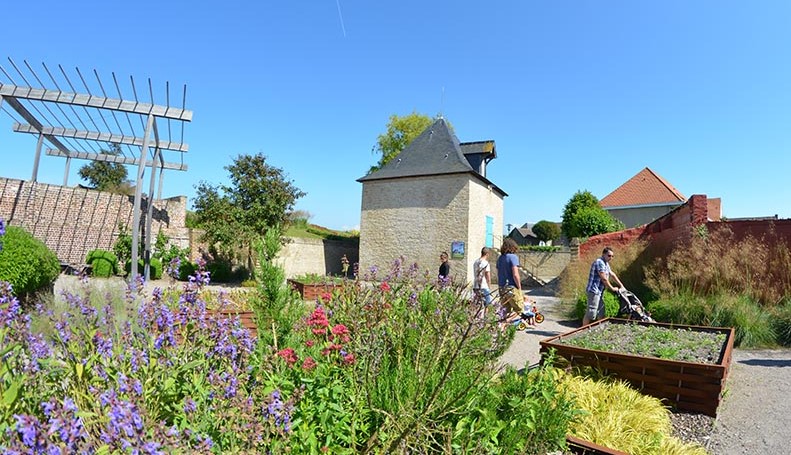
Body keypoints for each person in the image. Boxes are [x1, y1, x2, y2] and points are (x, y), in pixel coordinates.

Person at [583, 246, 625, 326]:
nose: (611, 258)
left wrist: (621, 286)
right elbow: (604, 278)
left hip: (600, 291)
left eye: (612, 256)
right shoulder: (599, 262)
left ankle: (599, 329)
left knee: (601, 312)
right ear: (603, 254)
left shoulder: (606, 264)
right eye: (609, 255)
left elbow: (612, 274)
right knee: (591, 313)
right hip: (594, 291)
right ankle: (582, 331)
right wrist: (612, 288)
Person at [497, 238, 524, 322]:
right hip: (511, 287)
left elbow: (499, 273)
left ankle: (501, 327)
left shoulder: (500, 258)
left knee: (505, 310)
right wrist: (519, 287)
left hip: (501, 287)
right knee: (519, 309)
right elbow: (515, 274)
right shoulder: (513, 257)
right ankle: (506, 322)